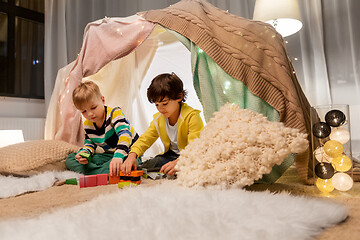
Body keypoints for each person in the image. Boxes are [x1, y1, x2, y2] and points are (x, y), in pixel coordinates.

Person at [122, 73, 204, 176]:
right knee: (150, 165)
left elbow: (195, 147)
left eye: (164, 104)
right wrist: (132, 155)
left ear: (179, 97)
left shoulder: (192, 117)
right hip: (170, 156)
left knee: (191, 169)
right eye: (157, 105)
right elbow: (145, 139)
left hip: (191, 156)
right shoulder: (159, 119)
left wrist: (179, 162)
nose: (161, 109)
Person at [65, 81, 139, 176]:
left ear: (102, 100)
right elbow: (90, 144)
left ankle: (100, 171)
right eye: (84, 111)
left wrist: (118, 156)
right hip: (109, 155)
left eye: (93, 107)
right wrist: (84, 154)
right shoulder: (87, 124)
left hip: (129, 154)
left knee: (117, 165)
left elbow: (125, 135)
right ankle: (103, 171)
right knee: (70, 159)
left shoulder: (115, 114)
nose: (90, 114)